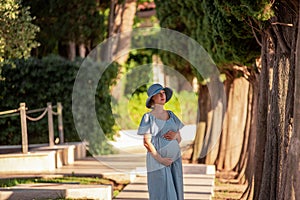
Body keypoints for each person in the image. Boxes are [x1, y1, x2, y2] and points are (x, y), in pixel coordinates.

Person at [137, 83, 184, 200]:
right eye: (159, 93)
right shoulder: (148, 117)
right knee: (163, 193)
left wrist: (175, 135)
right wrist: (161, 159)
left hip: (175, 160)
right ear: (153, 97)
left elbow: (179, 138)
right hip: (157, 161)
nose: (163, 95)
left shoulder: (171, 115)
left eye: (163, 93)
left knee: (177, 192)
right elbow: (146, 142)